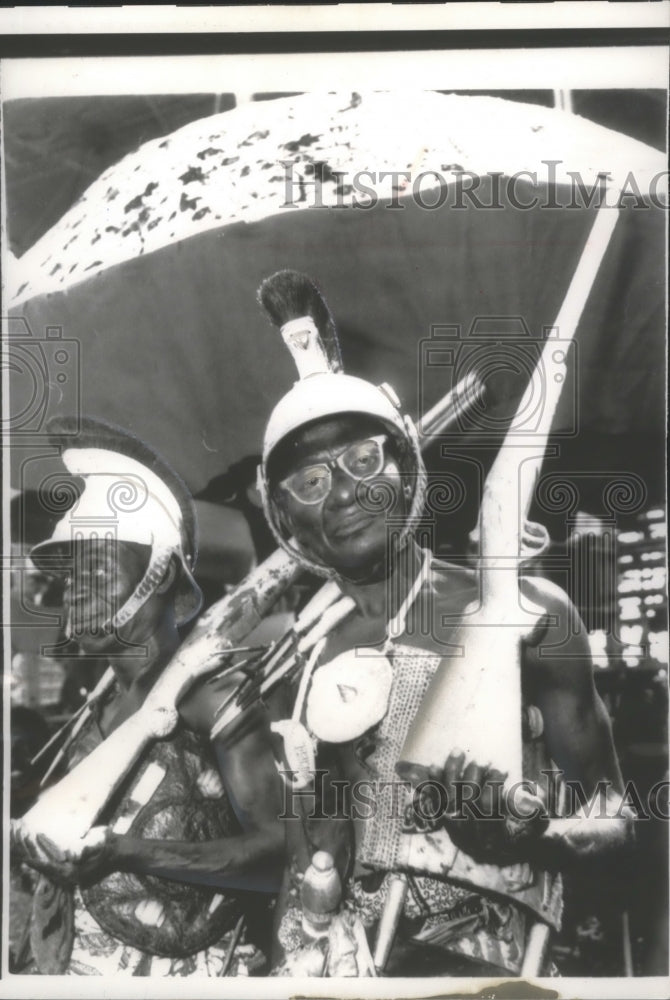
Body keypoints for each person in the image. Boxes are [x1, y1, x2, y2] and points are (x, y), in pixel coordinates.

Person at [254, 270, 634, 977]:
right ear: (285, 519)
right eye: (309, 481)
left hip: (487, 978)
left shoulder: (527, 615)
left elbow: (619, 818)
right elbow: (306, 850)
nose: (342, 492)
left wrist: (534, 833)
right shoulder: (298, 659)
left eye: (364, 459)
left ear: (404, 467)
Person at [11, 417, 284, 976]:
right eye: (69, 574)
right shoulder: (98, 705)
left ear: (159, 575)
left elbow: (280, 857)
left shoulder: (213, 695)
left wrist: (130, 853)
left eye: (96, 564)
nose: (74, 587)